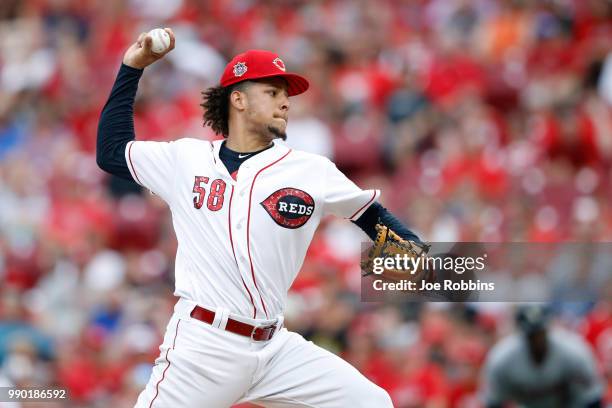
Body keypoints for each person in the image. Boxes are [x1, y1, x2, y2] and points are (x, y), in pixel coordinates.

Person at [97, 28, 424, 407]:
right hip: (203, 347)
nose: (284, 102)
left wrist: (428, 262)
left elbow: (373, 217)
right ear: (238, 99)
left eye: (286, 94)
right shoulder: (185, 160)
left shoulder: (310, 170)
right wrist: (131, 68)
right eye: (272, 92)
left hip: (274, 350)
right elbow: (111, 152)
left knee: (373, 403)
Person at [482, 305, 604, 408]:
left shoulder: (574, 352)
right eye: (532, 335)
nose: (537, 339)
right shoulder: (502, 359)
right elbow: (493, 402)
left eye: (540, 333)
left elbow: (592, 398)